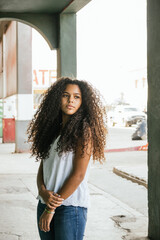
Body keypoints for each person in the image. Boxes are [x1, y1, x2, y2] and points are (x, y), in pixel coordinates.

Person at [27, 77, 107, 240]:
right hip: (45, 203)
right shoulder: (52, 132)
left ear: (83, 102)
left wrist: (51, 208)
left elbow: (78, 175)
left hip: (70, 208)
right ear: (57, 98)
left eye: (77, 97)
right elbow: (44, 166)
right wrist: (43, 192)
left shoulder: (83, 132)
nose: (71, 100)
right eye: (65, 95)